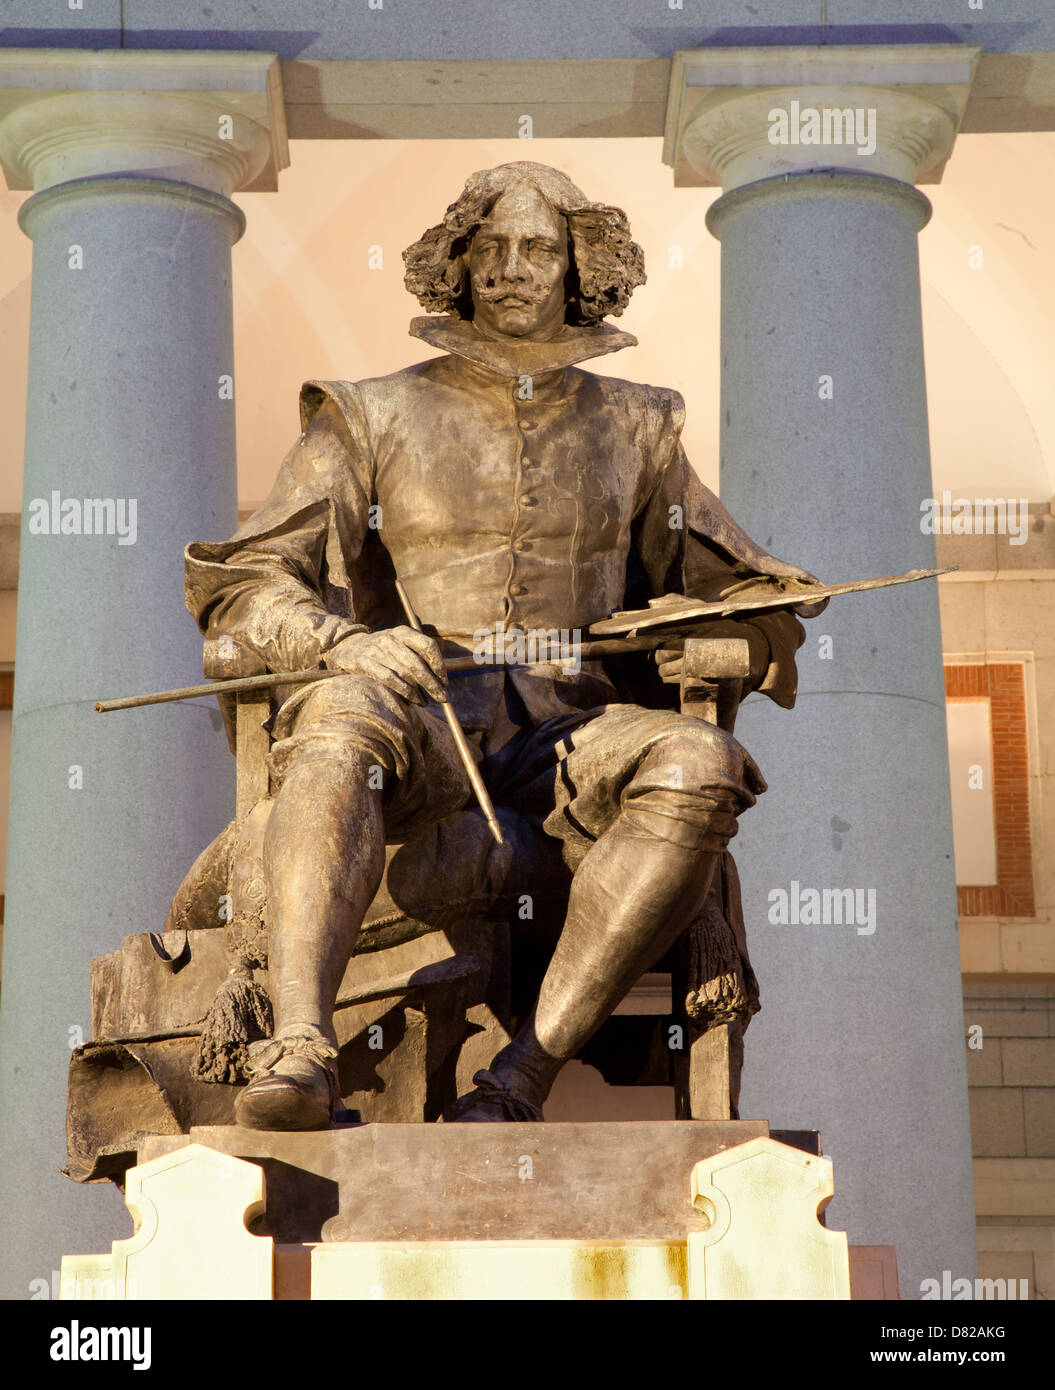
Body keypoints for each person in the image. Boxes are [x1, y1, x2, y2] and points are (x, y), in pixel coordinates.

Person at [184, 161, 819, 1130]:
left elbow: (736, 589)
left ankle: (519, 1078)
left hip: (571, 733)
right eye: (488, 247)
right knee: (339, 711)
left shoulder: (639, 425)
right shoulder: (366, 412)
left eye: (537, 249)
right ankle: (299, 1048)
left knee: (700, 762)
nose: (509, 268)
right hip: (418, 715)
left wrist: (736, 644)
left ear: (579, 268)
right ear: (458, 263)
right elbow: (245, 580)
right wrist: (339, 643)